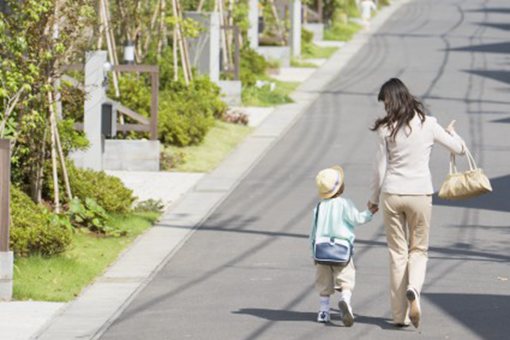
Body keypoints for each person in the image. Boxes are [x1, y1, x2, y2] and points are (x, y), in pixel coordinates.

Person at [368, 78, 466, 328]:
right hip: (420, 194)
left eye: (386, 103)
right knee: (418, 250)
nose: (386, 109)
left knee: (397, 254)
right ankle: (414, 288)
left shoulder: (385, 128)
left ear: (391, 102)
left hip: (392, 194)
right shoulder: (428, 124)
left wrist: (373, 199)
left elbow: (379, 169)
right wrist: (453, 134)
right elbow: (459, 149)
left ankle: (399, 316)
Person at [310, 165, 377, 326]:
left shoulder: (319, 207)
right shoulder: (345, 204)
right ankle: (345, 301)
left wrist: (313, 252)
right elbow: (357, 219)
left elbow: (313, 232)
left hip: (321, 251)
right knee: (346, 280)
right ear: (341, 188)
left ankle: (324, 312)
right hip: (342, 252)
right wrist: (369, 212)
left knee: (323, 283)